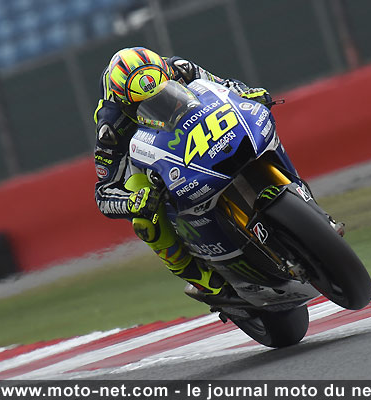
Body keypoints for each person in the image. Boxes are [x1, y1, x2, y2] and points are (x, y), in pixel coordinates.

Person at [93, 47, 272, 301]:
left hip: (196, 122)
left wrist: (247, 94)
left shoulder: (179, 68)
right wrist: (132, 202)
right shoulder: (111, 127)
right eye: (144, 103)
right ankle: (200, 279)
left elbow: (225, 87)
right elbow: (104, 193)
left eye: (160, 93)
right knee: (144, 222)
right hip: (146, 153)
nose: (156, 103)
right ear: (124, 103)